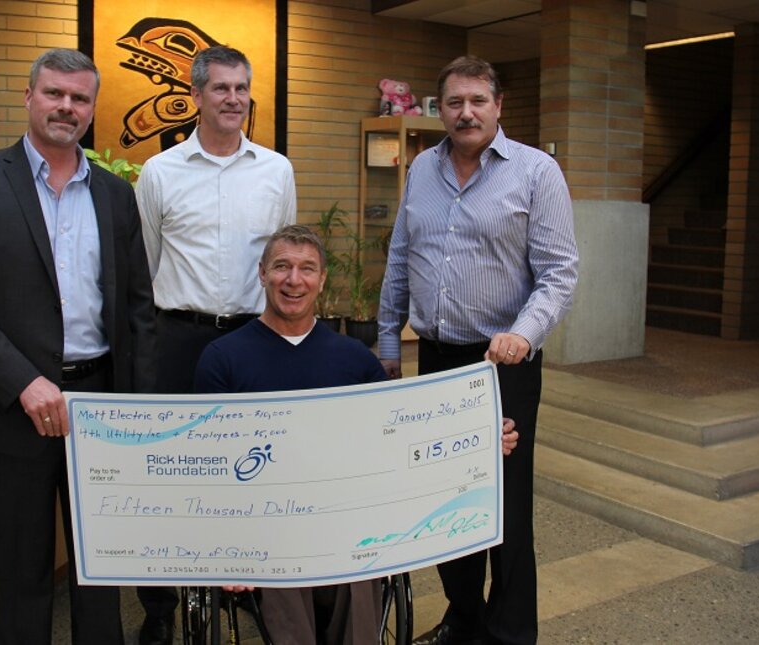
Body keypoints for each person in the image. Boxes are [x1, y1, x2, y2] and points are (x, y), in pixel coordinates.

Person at [195, 225, 520, 644]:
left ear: (322, 280)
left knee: (359, 562)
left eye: (307, 269)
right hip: (267, 528)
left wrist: (477, 441)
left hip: (345, 524)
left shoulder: (353, 360)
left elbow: (403, 439)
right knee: (286, 564)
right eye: (282, 267)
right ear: (261, 273)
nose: (294, 280)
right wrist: (226, 549)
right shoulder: (223, 359)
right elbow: (206, 467)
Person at [0, 49, 155, 645]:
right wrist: (23, 381)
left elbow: (137, 306)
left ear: (92, 109)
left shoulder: (114, 193)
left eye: (80, 99)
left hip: (99, 407)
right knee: (23, 574)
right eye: (54, 94)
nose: (66, 107)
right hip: (11, 410)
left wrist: (136, 409)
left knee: (100, 569)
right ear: (28, 97)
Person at [378, 55, 578, 645]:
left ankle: (511, 633)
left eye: (477, 101)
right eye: (454, 103)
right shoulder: (421, 170)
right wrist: (390, 339)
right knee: (446, 500)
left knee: (505, 507)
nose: (466, 113)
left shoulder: (537, 172)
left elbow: (560, 272)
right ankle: (463, 618)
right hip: (436, 360)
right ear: (439, 109)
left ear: (498, 106)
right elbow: (399, 257)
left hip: (503, 363)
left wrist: (526, 331)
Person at [133, 44, 297, 642]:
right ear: (197, 96)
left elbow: (285, 266)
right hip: (181, 338)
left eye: (242, 88)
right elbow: (144, 267)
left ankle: (248, 583)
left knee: (251, 469)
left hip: (253, 341)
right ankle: (160, 608)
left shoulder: (276, 170)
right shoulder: (161, 173)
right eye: (221, 88)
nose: (233, 99)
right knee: (172, 473)